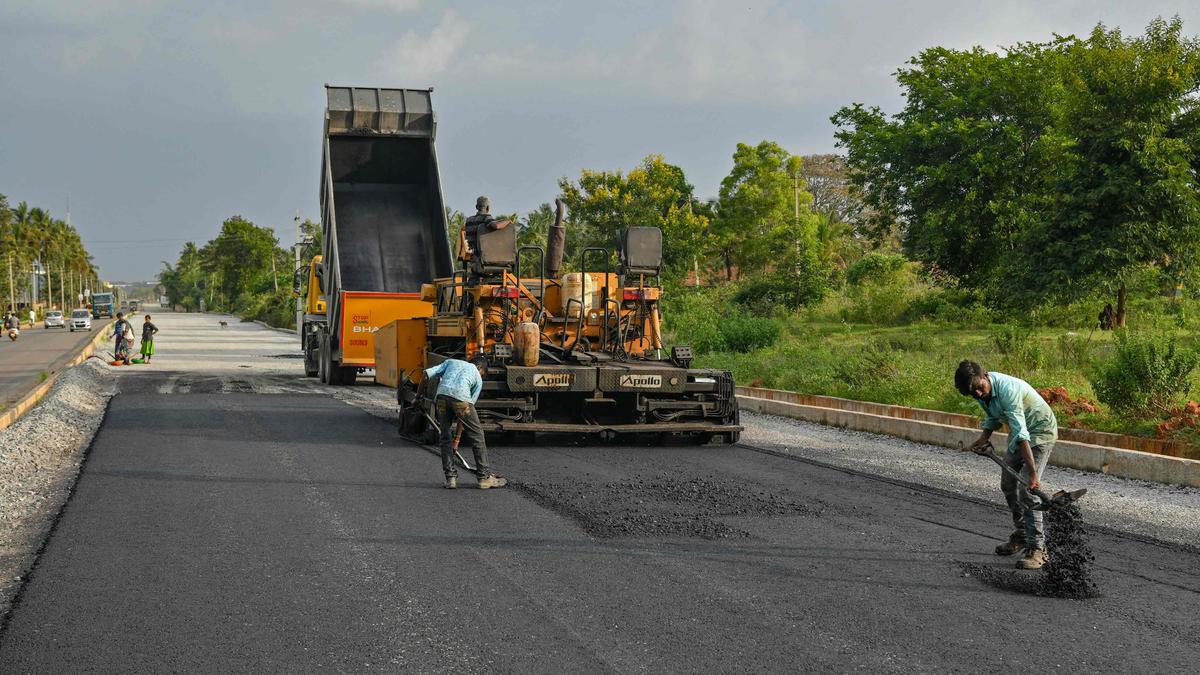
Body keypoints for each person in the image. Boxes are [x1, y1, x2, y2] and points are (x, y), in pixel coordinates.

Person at [956, 360, 1058, 570]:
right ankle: (1022, 534)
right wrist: (984, 438)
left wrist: (1032, 475)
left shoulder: (1008, 391)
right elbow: (993, 416)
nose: (978, 394)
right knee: (1008, 484)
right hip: (1020, 434)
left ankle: (1038, 549)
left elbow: (1022, 436)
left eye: (979, 388)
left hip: (1040, 431)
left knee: (1027, 491)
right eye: (972, 392)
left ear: (985, 374)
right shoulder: (981, 390)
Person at [422, 355, 507, 490]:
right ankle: (484, 478)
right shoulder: (477, 378)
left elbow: (426, 374)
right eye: (483, 373)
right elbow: (466, 410)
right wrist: (458, 439)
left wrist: (418, 397)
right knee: (477, 435)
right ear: (480, 368)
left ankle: (451, 479)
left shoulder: (451, 362)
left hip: (442, 398)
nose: (482, 376)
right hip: (461, 400)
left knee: (445, 437)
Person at [462, 196, 512, 285]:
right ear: (488, 208)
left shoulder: (468, 220)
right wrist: (509, 221)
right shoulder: (486, 218)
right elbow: (496, 226)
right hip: (484, 262)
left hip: (474, 261)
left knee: (471, 285)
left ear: (476, 207)